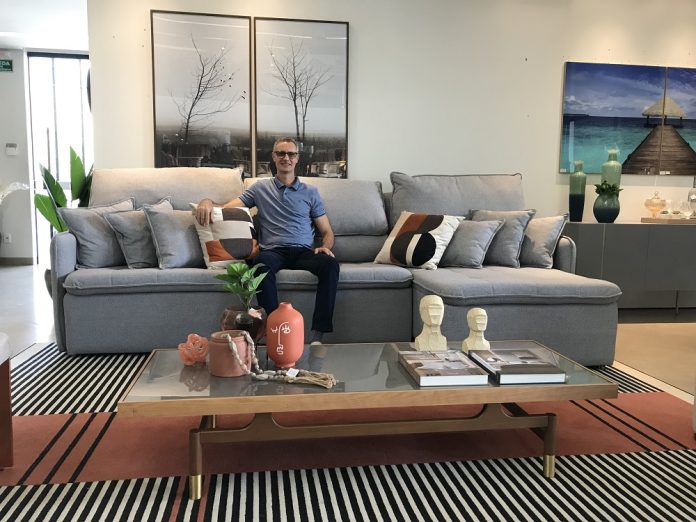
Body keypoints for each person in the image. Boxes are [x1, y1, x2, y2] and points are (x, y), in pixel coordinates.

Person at [195, 137, 340, 344]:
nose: (286, 158)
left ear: (297, 158)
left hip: (303, 251)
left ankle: (318, 336)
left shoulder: (310, 192)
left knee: (331, 265)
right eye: (281, 153)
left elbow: (327, 231)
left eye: (291, 154)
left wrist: (325, 247)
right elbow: (226, 208)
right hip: (273, 251)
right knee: (260, 266)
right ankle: (274, 333)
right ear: (274, 156)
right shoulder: (260, 188)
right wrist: (206, 201)